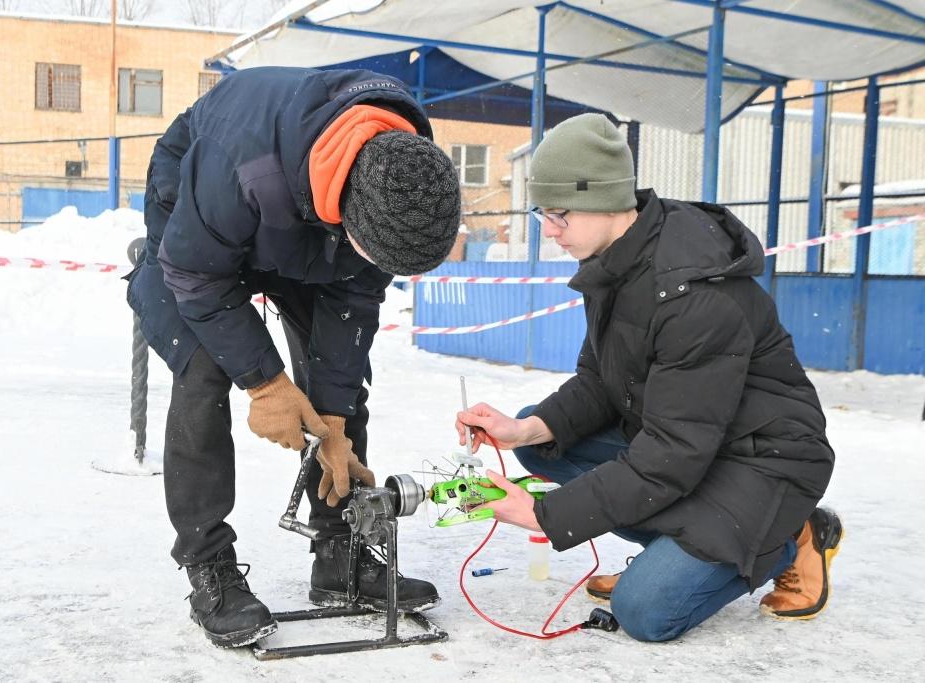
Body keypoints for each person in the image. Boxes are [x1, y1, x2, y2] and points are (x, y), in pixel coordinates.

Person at [455, 113, 841, 643]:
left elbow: (674, 453)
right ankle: (677, 553)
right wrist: (525, 431)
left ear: (608, 201)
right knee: (540, 440)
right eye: (543, 212)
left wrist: (545, 515)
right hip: (696, 444)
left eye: (560, 214)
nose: (549, 230)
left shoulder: (694, 296)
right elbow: (600, 383)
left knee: (647, 613)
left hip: (762, 461)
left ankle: (788, 537)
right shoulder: (615, 265)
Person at [126, 66, 461, 647]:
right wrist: (265, 384)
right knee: (204, 367)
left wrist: (331, 417)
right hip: (200, 229)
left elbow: (354, 299)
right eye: (370, 251)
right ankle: (209, 567)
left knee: (342, 377)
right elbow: (196, 277)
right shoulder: (241, 162)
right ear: (347, 212)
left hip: (305, 215)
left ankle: (340, 552)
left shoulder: (403, 177)